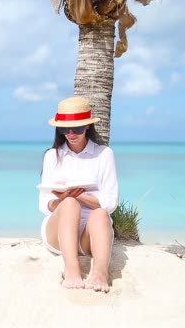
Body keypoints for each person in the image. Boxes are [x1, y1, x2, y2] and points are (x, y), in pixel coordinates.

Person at [39, 96, 119, 292]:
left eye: (77, 128)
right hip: (58, 232)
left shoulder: (104, 154)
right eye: (65, 129)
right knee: (69, 205)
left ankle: (100, 273)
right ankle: (72, 270)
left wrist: (80, 195)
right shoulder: (52, 156)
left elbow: (110, 202)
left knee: (100, 213)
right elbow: (44, 204)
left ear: (88, 127)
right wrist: (65, 198)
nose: (71, 133)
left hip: (89, 235)